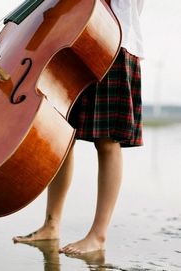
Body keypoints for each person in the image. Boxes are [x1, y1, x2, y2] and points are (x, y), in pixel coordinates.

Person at [13, 0, 145, 255]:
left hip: (111, 39)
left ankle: (98, 235)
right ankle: (51, 225)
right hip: (71, 40)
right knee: (62, 134)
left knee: (107, 141)